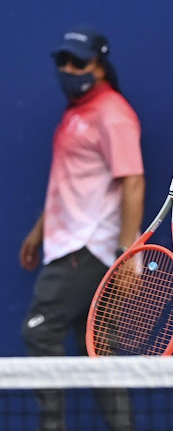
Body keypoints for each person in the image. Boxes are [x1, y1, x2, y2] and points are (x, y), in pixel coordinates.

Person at [19, 26, 144, 431]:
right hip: (65, 244)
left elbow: (134, 181)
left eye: (78, 61)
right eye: (62, 61)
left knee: (40, 333)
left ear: (101, 67)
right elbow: (68, 180)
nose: (68, 69)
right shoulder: (76, 111)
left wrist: (128, 254)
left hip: (87, 250)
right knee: (99, 351)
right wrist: (40, 231)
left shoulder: (113, 114)